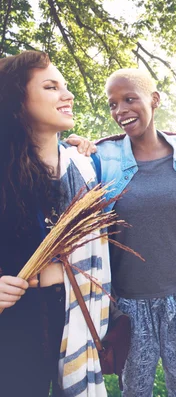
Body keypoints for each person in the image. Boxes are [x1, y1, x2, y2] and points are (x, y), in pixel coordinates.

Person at [0, 50, 110, 396]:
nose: (68, 95)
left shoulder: (87, 167)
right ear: (18, 100)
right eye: (51, 87)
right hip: (16, 326)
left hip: (74, 315)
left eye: (65, 85)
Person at [95, 69, 176, 397]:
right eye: (113, 104)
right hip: (130, 297)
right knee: (135, 387)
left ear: (154, 100)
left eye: (130, 99)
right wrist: (77, 145)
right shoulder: (103, 157)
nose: (121, 110)